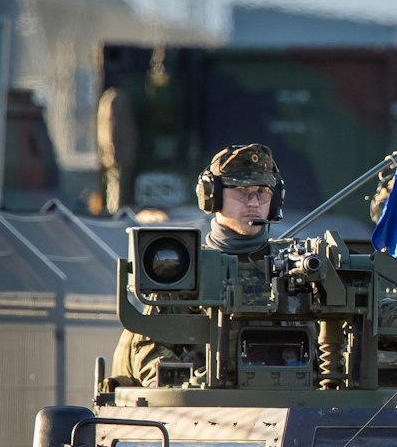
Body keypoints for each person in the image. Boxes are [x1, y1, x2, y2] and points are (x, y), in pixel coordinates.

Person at [110, 143, 284, 386]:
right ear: (212, 195)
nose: (254, 202)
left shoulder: (293, 266)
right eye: (242, 191)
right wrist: (186, 387)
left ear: (275, 199)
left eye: (262, 192)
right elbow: (149, 348)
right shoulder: (185, 268)